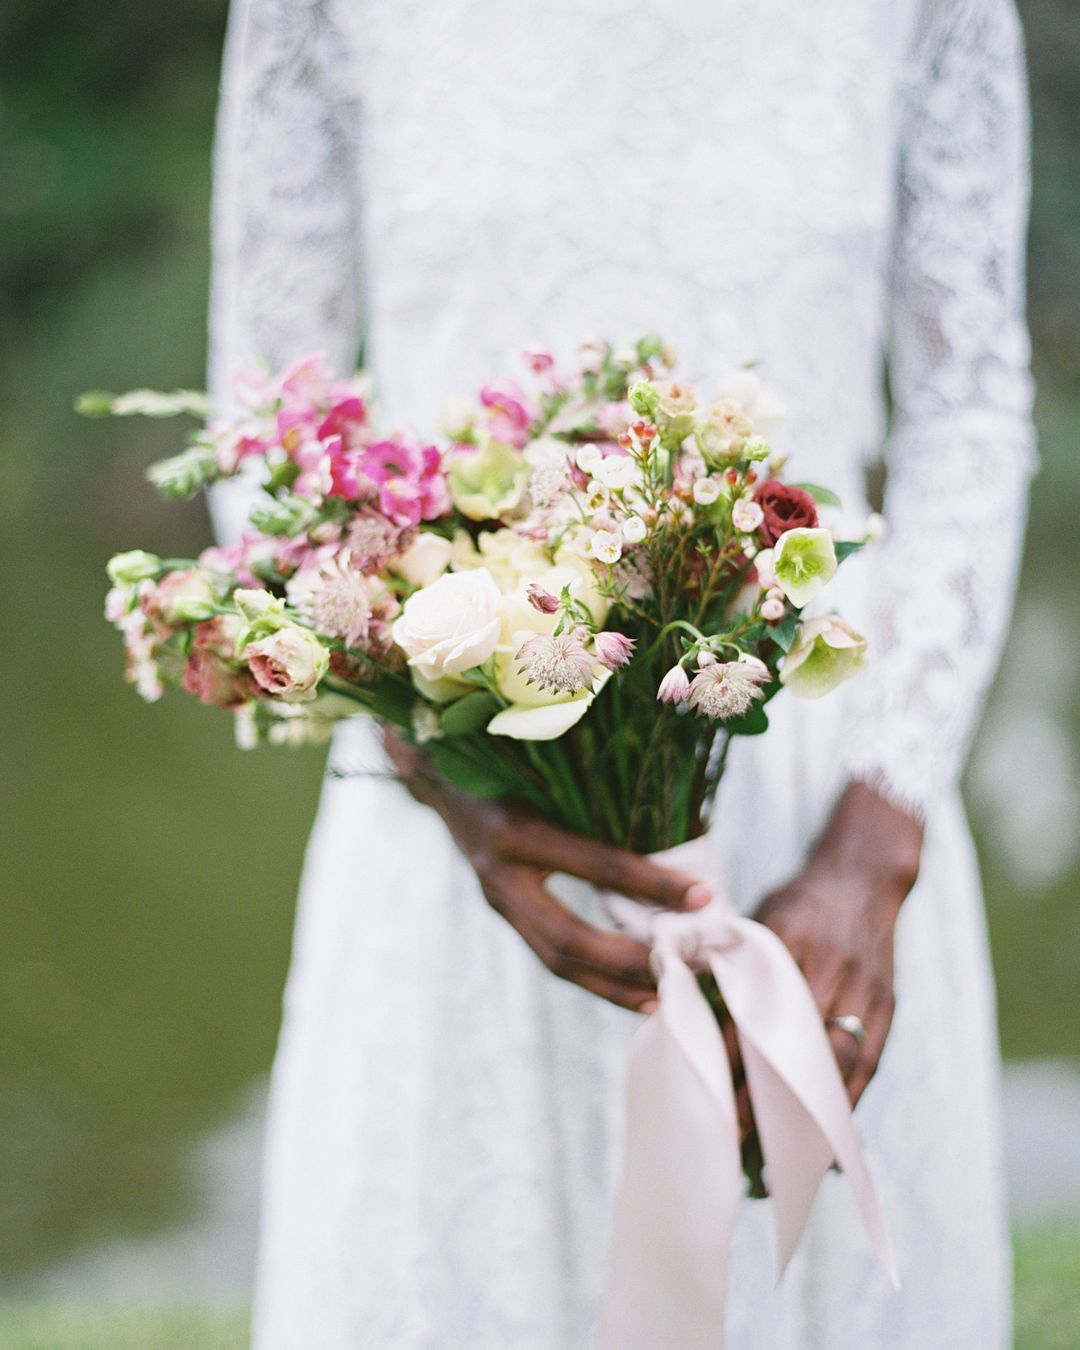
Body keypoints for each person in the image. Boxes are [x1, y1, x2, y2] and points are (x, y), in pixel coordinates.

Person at [208, 1, 1036, 1345]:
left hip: (812, 787)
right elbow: (264, 423)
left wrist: (877, 835)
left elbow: (973, 404)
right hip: (454, 804)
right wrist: (452, 776)